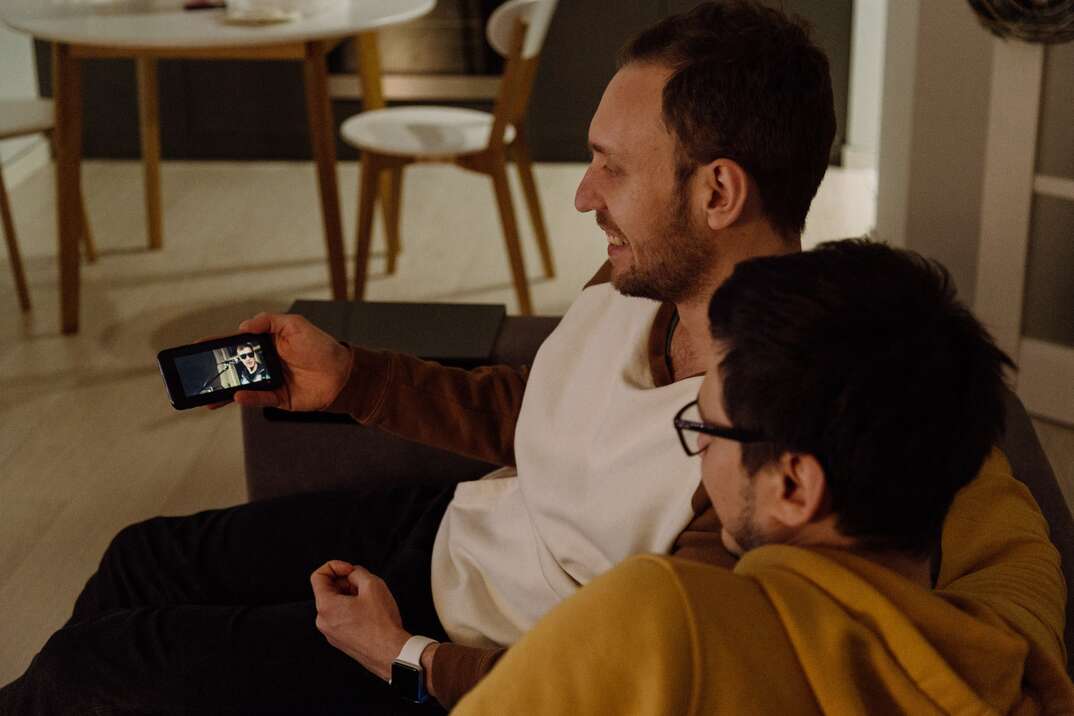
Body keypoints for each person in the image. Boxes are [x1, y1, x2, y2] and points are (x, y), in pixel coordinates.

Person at [0, 2, 1054, 713]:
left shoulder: (770, 432)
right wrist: (352, 379)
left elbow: (597, 687)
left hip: (475, 645)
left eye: (607, 166)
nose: (584, 193)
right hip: (463, 528)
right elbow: (540, 412)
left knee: (99, 667)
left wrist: (403, 654)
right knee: (143, 555)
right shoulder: (635, 274)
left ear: (718, 191)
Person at [452, 240, 1074, 714]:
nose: (699, 454)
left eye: (706, 428)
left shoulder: (665, 620)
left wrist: (400, 654)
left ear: (795, 488)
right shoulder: (1015, 631)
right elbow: (990, 491)